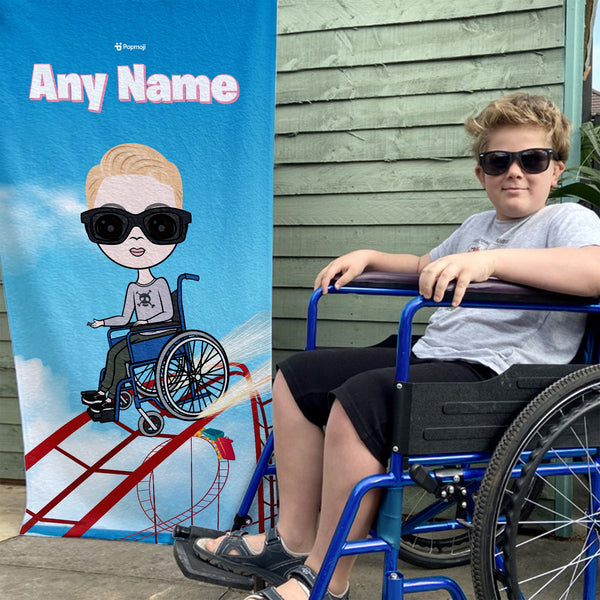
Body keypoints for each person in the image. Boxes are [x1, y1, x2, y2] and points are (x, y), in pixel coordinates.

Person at [194, 93, 600, 600]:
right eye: (499, 160)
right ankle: (292, 540)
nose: (514, 171)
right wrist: (370, 256)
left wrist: (491, 264)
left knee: (363, 399)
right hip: (439, 351)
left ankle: (325, 580)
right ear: (481, 173)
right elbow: (423, 265)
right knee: (298, 376)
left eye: (532, 159)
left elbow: (593, 271)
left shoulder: (566, 220)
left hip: (502, 371)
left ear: (555, 170)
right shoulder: (479, 227)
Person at [80, 143, 191, 419]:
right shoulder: (132, 288)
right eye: (111, 224)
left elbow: (167, 314)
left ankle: (109, 395)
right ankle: (106, 393)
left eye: (159, 224)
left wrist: (146, 322)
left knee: (122, 354)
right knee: (115, 351)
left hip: (161, 334)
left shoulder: (160, 284)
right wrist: (103, 322)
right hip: (141, 335)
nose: (136, 236)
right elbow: (124, 317)